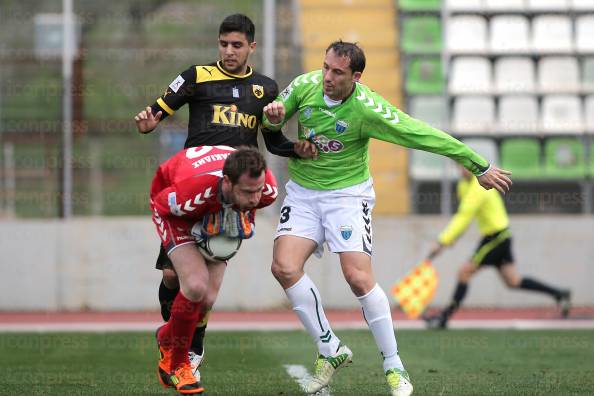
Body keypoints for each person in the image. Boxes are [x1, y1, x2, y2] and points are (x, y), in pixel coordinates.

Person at [262, 40, 512, 396]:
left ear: (356, 77)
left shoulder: (368, 109)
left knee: (358, 278)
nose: (327, 77)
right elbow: (269, 128)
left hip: (348, 196)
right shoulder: (304, 86)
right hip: (303, 193)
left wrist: (477, 164)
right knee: (283, 267)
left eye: (337, 72)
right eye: (325, 67)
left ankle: (394, 366)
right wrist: (273, 121)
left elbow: (421, 134)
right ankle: (329, 348)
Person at [134, 14, 316, 374]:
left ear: (252, 46)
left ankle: (192, 352)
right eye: (223, 44)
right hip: (195, 184)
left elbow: (273, 141)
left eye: (236, 45)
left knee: (207, 289)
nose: (229, 51)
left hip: (232, 196)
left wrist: (297, 148)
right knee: (174, 278)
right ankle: (174, 340)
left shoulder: (265, 89)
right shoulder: (196, 76)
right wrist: (148, 120)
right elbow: (156, 110)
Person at [150, 145, 277, 394]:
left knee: (206, 299)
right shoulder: (189, 196)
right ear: (227, 182)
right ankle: (179, 367)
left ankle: (167, 336)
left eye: (258, 190)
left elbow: (254, 199)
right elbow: (161, 205)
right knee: (195, 285)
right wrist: (199, 225)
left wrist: (242, 213)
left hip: (216, 206)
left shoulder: (266, 189)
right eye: (248, 192)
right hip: (174, 209)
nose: (255, 198)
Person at [422, 165, 571, 329]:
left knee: (464, 272)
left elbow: (463, 217)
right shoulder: (463, 186)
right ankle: (559, 294)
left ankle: (443, 319)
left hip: (496, 237)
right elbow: (465, 216)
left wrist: (442, 241)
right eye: (459, 166)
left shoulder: (478, 188)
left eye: (465, 165)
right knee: (513, 281)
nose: (462, 170)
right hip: (499, 236)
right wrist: (451, 240)